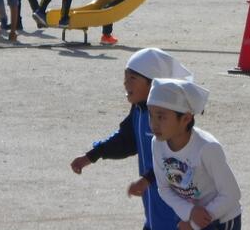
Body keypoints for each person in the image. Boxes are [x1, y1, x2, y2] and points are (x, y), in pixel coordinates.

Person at [70, 49, 193, 230]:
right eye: (125, 77)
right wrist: (92, 155)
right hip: (153, 214)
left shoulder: (169, 118)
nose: (125, 83)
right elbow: (126, 141)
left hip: (177, 216)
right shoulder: (139, 110)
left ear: (153, 84)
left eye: (133, 78)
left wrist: (147, 179)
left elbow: (177, 161)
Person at [148, 78, 242, 230]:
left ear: (186, 118)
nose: (153, 124)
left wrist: (194, 223)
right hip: (191, 217)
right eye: (150, 115)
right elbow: (164, 189)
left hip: (221, 220)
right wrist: (190, 212)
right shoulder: (157, 143)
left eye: (161, 117)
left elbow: (231, 194)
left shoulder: (207, 148)